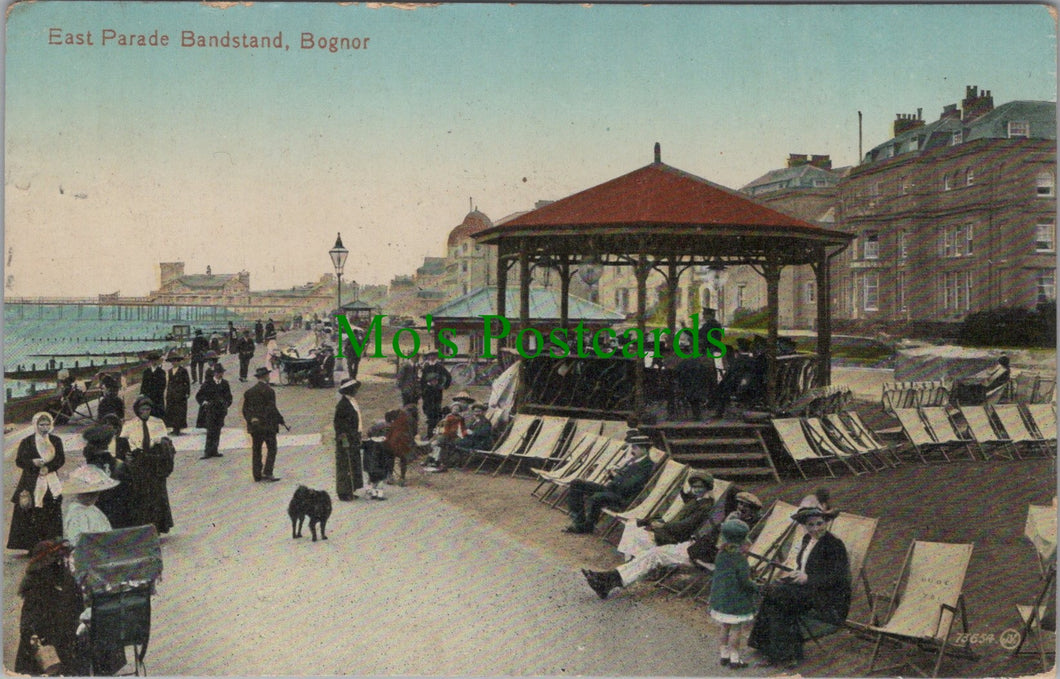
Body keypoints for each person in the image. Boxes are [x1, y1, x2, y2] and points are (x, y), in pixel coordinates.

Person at [583, 489, 762, 600]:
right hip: (696, 547)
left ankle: (609, 580)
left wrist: (726, 527)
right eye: (739, 506)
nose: (740, 510)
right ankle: (609, 580)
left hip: (704, 557)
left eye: (744, 509)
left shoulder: (746, 528)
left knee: (654, 555)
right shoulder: (737, 519)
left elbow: (730, 550)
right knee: (653, 554)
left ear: (751, 513)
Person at [748, 506, 851, 669]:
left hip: (826, 594)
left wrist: (809, 578)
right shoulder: (806, 539)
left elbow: (837, 578)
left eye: (819, 523)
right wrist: (799, 573)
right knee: (773, 594)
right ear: (804, 526)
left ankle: (785, 654)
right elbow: (805, 565)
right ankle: (772, 649)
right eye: (811, 525)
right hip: (806, 588)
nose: (816, 528)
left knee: (779, 599)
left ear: (826, 522)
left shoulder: (834, 544)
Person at [14, 540, 85, 676]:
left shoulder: (35, 586)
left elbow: (26, 625)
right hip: (57, 646)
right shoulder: (63, 581)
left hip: (53, 645)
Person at [564, 433, 656, 535]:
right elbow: (622, 479)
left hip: (622, 496)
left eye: (635, 447)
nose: (632, 450)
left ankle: (588, 526)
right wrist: (613, 475)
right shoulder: (633, 460)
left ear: (644, 449)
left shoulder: (647, 465)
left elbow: (630, 485)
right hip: (612, 489)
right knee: (576, 483)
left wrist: (616, 477)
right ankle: (579, 521)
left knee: (597, 497)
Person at [615, 469, 716, 560]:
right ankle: (631, 558)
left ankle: (632, 558)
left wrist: (663, 525)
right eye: (694, 487)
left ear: (707, 488)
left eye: (700, 487)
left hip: (676, 536)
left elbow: (686, 525)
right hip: (671, 529)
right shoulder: (696, 499)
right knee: (632, 525)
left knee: (636, 532)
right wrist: (684, 489)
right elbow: (686, 499)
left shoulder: (705, 506)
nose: (696, 490)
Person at [7, 412, 65, 552]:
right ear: (36, 425)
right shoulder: (27, 441)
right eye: (41, 425)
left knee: (51, 508)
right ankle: (32, 546)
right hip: (32, 481)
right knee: (32, 510)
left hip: (51, 481)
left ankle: (51, 544)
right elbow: (19, 461)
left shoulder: (56, 440)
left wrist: (49, 468)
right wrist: (33, 463)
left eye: (47, 425)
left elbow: (61, 459)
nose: (44, 428)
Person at [710, 519, 758, 669]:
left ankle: (724, 654)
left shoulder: (721, 555)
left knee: (725, 626)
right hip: (736, 600)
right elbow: (745, 582)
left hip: (722, 598)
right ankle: (734, 657)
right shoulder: (740, 560)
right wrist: (756, 586)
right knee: (736, 629)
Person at [81, 424, 134, 529]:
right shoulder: (119, 465)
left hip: (97, 514)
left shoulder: (87, 468)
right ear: (108, 443)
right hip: (119, 514)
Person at [243, 366, 287, 482]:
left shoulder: (249, 392)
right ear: (266, 376)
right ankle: (268, 472)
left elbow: (245, 410)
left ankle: (256, 474)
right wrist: (281, 420)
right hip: (268, 426)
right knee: (272, 449)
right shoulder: (269, 391)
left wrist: (251, 420)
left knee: (256, 450)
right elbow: (272, 409)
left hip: (255, 427)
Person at [61, 464, 118, 545]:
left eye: (95, 494)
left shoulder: (94, 510)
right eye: (89, 494)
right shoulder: (77, 513)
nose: (94, 497)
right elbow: (76, 540)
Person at [333, 378, 364, 501]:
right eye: (355, 389)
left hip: (354, 437)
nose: (356, 391)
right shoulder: (342, 405)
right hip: (346, 439)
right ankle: (344, 492)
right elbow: (338, 425)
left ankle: (351, 489)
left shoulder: (352, 402)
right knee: (345, 465)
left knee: (353, 464)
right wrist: (344, 439)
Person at [196, 362, 232, 459]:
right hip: (210, 411)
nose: (220, 375)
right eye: (218, 373)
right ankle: (208, 451)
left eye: (221, 373)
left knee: (217, 430)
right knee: (210, 430)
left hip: (221, 411)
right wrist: (204, 403)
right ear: (214, 373)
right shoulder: (208, 383)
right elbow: (199, 395)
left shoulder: (225, 384)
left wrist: (226, 404)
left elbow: (229, 397)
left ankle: (215, 450)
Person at [424, 403, 466, 472]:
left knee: (439, 443)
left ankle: (435, 461)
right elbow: (442, 427)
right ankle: (433, 460)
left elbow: (460, 429)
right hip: (446, 435)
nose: (455, 410)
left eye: (457, 409)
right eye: (454, 409)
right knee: (436, 444)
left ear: (459, 411)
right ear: (451, 409)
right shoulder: (448, 417)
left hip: (453, 436)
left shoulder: (459, 419)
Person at [420, 352, 453, 437]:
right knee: (428, 410)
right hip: (427, 392)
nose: (431, 357)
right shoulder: (425, 366)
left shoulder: (439, 366)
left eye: (433, 356)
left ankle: (433, 433)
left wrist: (444, 386)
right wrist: (423, 388)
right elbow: (422, 379)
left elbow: (448, 376)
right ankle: (429, 433)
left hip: (436, 391)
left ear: (436, 356)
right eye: (430, 356)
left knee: (436, 411)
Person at [383, 406, 416, 486]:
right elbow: (412, 432)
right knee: (403, 459)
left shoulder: (397, 417)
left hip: (394, 441)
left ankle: (389, 476)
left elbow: (388, 427)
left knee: (390, 456)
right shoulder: (409, 418)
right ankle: (402, 478)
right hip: (403, 442)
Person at [162, 352, 191, 436]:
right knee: (171, 411)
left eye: (176, 361)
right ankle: (174, 428)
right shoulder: (169, 371)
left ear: (179, 361)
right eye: (173, 361)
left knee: (179, 411)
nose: (174, 362)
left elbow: (187, 382)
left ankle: (178, 429)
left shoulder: (183, 370)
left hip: (180, 394)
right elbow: (168, 383)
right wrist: (167, 394)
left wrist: (187, 392)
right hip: (171, 394)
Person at [139, 352, 166, 419]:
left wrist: (157, 393)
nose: (154, 362)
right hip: (148, 397)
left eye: (155, 360)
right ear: (150, 361)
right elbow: (143, 385)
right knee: (149, 415)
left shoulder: (161, 372)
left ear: (158, 361)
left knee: (158, 415)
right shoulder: (146, 372)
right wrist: (142, 394)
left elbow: (163, 385)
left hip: (158, 398)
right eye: (152, 360)